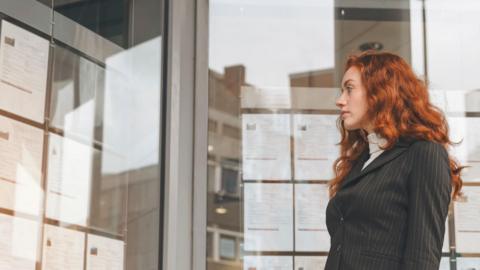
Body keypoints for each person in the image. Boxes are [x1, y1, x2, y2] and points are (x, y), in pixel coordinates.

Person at [324, 50, 464, 270]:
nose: (340, 100)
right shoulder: (362, 160)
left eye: (349, 89)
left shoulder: (424, 154)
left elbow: (422, 259)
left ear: (380, 91)